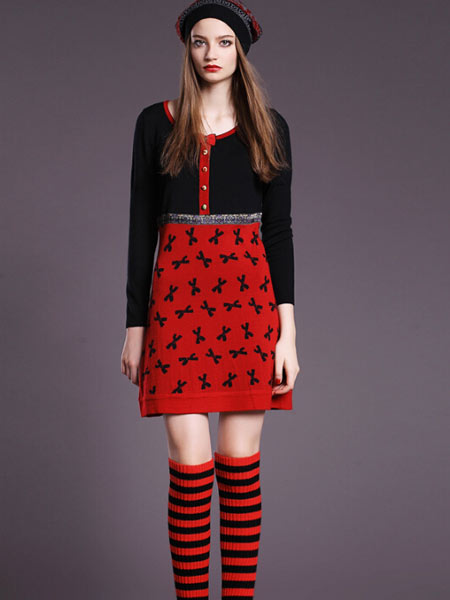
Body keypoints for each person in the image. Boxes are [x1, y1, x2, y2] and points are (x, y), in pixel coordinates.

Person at [121, 1, 301, 597]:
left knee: (240, 468)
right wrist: (135, 327)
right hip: (174, 310)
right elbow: (141, 228)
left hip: (249, 310)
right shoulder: (155, 123)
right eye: (200, 41)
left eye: (224, 42)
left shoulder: (270, 126)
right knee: (188, 467)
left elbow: (279, 232)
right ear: (187, 49)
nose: (211, 53)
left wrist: (288, 334)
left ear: (241, 50)